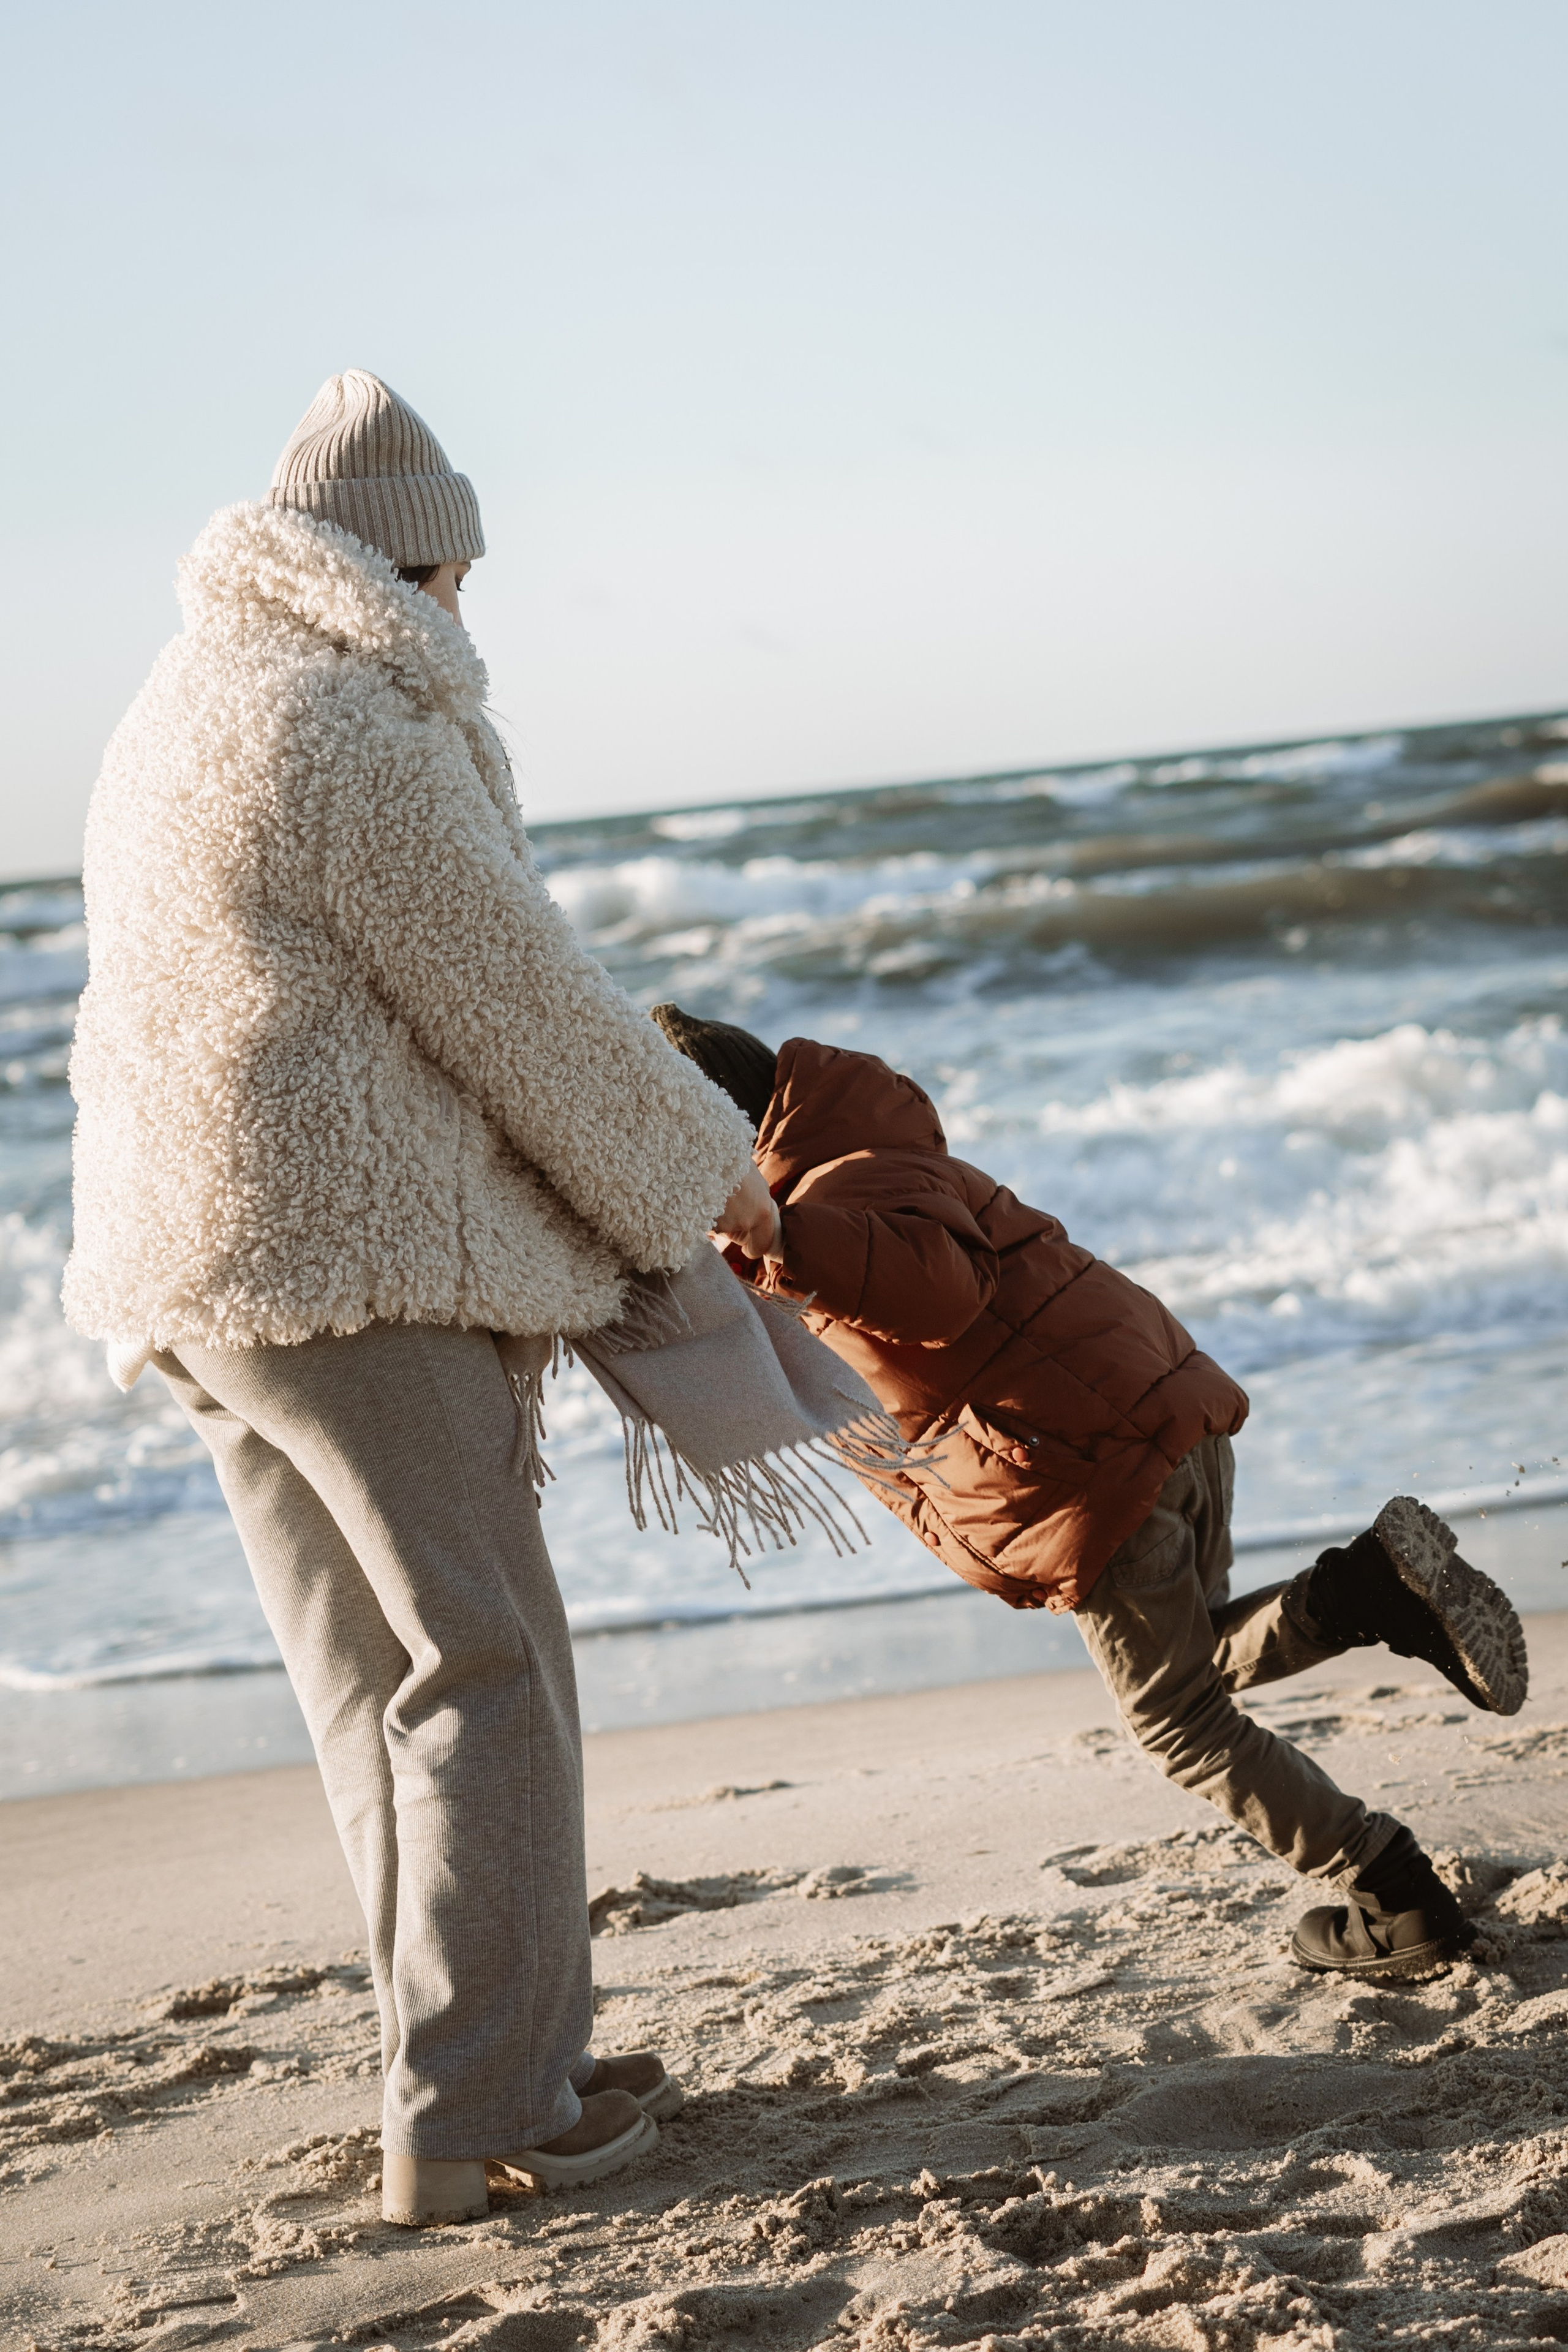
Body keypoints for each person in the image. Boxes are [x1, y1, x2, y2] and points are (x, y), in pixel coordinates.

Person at [62, 371, 780, 2228]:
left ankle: (471, 2069)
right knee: (487, 1667)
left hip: (194, 1266)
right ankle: (475, 2119)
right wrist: (714, 1172)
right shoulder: (349, 718)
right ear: (417, 560)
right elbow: (516, 997)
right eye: (461, 575)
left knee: (370, 1684)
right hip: (349, 1261)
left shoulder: (181, 704)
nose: (470, 612)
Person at [666, 1006, 1530, 1981]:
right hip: (1155, 1407)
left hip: (1084, 1464)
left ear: (712, 1137)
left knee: (1181, 1724)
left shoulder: (823, 1201)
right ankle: (1365, 1590)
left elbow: (935, 1288)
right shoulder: (867, 1150)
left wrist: (780, 1233)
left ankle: (1396, 1896)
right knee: (1195, 1650)